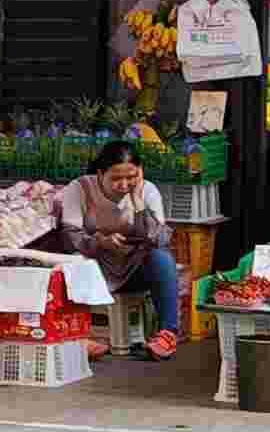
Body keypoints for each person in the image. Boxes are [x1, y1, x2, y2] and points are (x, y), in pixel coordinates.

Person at [51, 140, 186, 358]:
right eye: (116, 178)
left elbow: (160, 239)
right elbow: (70, 238)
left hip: (134, 270)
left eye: (130, 177)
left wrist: (138, 203)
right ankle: (78, 336)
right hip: (95, 269)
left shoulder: (148, 191)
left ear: (139, 172)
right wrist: (100, 242)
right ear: (100, 173)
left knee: (161, 257)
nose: (124, 185)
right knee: (72, 262)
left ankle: (168, 334)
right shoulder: (80, 189)